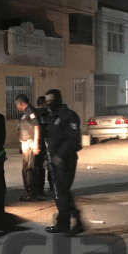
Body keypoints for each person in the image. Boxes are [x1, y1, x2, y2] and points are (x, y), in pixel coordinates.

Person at [44, 88, 85, 236]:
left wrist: (60, 155)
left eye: (51, 101)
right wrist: (47, 159)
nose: (48, 104)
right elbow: (51, 140)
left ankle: (76, 220)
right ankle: (64, 223)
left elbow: (73, 139)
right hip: (54, 160)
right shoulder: (52, 116)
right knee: (59, 192)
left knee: (63, 192)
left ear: (58, 100)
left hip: (66, 160)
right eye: (47, 101)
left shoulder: (69, 116)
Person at [15, 94, 41, 202]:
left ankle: (32, 194)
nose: (16, 106)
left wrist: (36, 144)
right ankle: (30, 192)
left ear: (21, 103)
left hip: (30, 143)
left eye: (16, 104)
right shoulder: (26, 112)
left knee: (29, 169)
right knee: (26, 168)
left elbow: (36, 126)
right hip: (26, 143)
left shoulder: (30, 111)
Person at [35, 96, 52, 197]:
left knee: (39, 167)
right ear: (44, 103)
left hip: (37, 144)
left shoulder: (34, 114)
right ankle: (52, 189)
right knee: (50, 167)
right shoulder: (49, 114)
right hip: (48, 143)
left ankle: (39, 189)